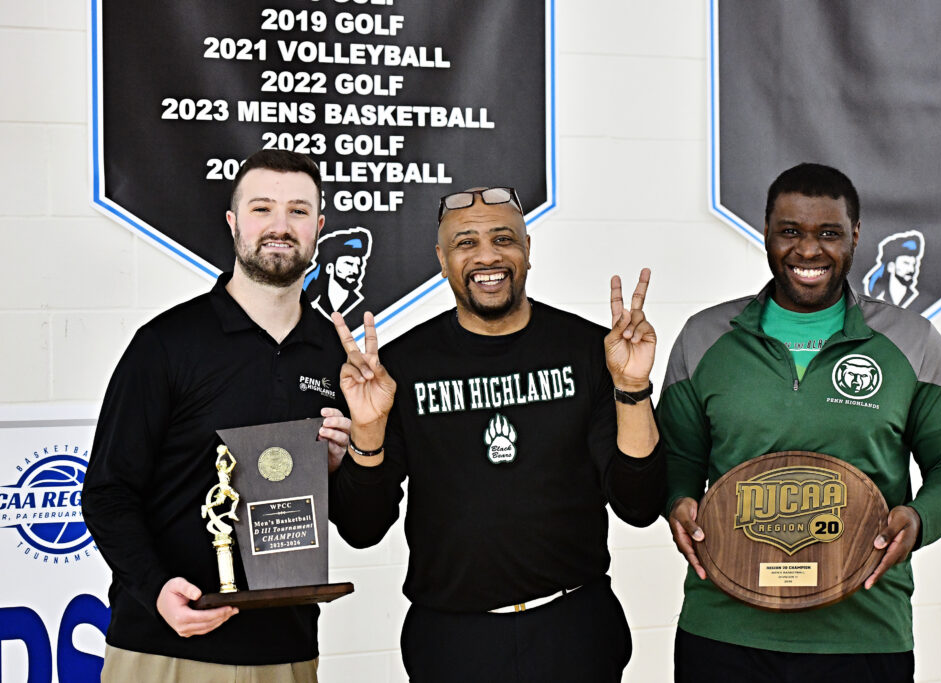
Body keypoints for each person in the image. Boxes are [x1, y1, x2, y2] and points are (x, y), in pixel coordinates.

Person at [320, 186, 665, 682]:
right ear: (441, 260)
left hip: (576, 631)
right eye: (465, 243)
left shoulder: (594, 351)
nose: (487, 255)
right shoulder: (398, 369)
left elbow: (640, 505)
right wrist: (369, 430)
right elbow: (362, 527)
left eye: (504, 238)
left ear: (527, 251)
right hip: (453, 641)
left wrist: (632, 389)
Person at [659, 163, 941, 682]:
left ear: (855, 236)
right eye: (790, 231)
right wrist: (676, 499)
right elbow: (676, 460)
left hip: (864, 634)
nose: (808, 251)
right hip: (722, 631)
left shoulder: (911, 341)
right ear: (765, 232)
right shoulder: (703, 338)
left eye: (828, 233)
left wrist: (920, 519)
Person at [82, 149, 354, 682]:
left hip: (286, 652)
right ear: (233, 222)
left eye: (298, 211)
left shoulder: (337, 356)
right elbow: (107, 492)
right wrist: (156, 590)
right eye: (262, 209)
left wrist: (353, 458)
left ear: (318, 228)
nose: (280, 225)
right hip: (166, 649)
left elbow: (363, 525)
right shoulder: (165, 344)